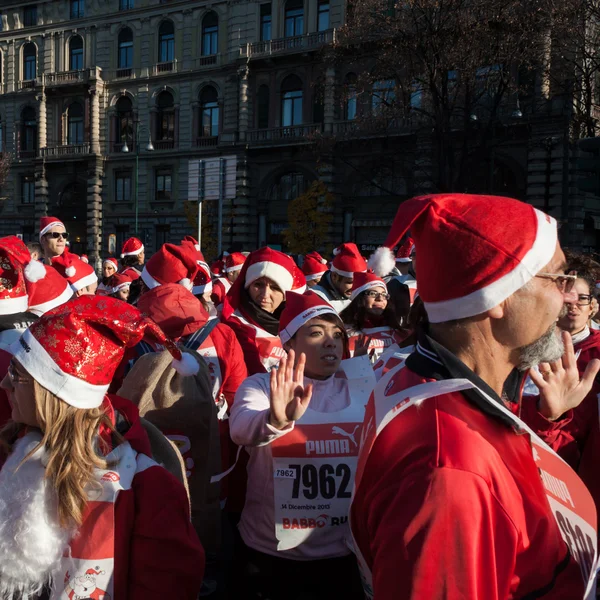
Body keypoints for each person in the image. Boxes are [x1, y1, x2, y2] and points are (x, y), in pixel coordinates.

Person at [351, 193, 600, 599]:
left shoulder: (429, 382)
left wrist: (549, 421)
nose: (569, 297)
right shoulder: (447, 472)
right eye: (558, 279)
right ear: (499, 297)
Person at [0, 295, 205, 598]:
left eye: (17, 374)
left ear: (53, 392)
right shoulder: (10, 447)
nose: (4, 384)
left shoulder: (143, 487)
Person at [229, 291, 370, 600]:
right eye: (316, 333)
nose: (331, 341)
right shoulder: (263, 386)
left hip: (342, 557)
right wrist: (274, 421)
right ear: (290, 344)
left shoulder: (361, 386)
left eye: (337, 334)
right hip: (268, 556)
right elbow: (240, 429)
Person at [221, 247, 306, 375]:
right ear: (248, 286)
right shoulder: (233, 324)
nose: (265, 294)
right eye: (258, 285)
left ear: (285, 295)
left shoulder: (295, 324)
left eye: (275, 287)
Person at [340, 271, 408, 359]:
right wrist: (357, 361)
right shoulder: (343, 332)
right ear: (359, 298)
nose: (380, 299)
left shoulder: (398, 331)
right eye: (373, 294)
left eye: (384, 295)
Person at [313, 243, 367, 313]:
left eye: (359, 282)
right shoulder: (315, 298)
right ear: (334, 276)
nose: (355, 287)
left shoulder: (361, 295)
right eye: (350, 282)